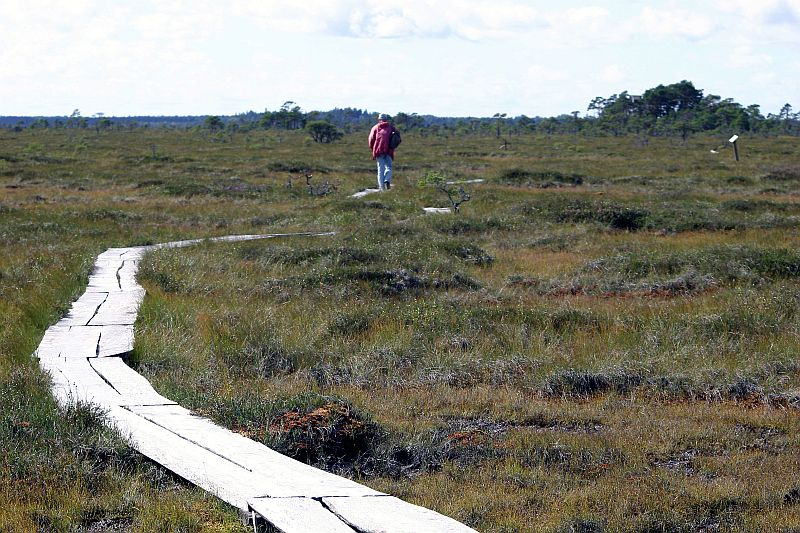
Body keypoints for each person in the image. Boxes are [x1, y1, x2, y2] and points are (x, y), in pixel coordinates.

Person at [368, 114, 399, 190]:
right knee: (389, 167)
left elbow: (371, 140)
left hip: (378, 151)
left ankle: (382, 188)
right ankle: (387, 180)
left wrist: (373, 148)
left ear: (379, 119)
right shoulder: (392, 128)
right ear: (386, 119)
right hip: (389, 151)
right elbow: (397, 138)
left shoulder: (375, 128)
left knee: (380, 169)